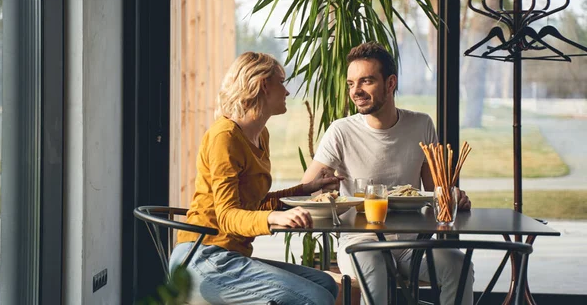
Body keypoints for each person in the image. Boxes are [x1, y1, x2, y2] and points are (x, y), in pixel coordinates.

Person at [301, 42, 474, 305]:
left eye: (366, 81)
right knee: (375, 269)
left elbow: (435, 191)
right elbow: (307, 187)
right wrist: (322, 189)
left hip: (412, 244)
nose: (356, 91)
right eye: (351, 84)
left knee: (459, 267)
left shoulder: (421, 124)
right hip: (362, 241)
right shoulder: (341, 131)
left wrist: (453, 196)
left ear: (390, 83)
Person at [169, 52, 340, 305]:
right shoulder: (224, 137)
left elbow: (252, 203)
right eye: (281, 82)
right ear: (263, 84)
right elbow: (228, 216)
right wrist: (273, 217)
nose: (287, 91)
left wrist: (306, 189)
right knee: (314, 298)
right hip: (202, 258)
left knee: (324, 284)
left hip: (230, 256)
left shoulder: (261, 135)